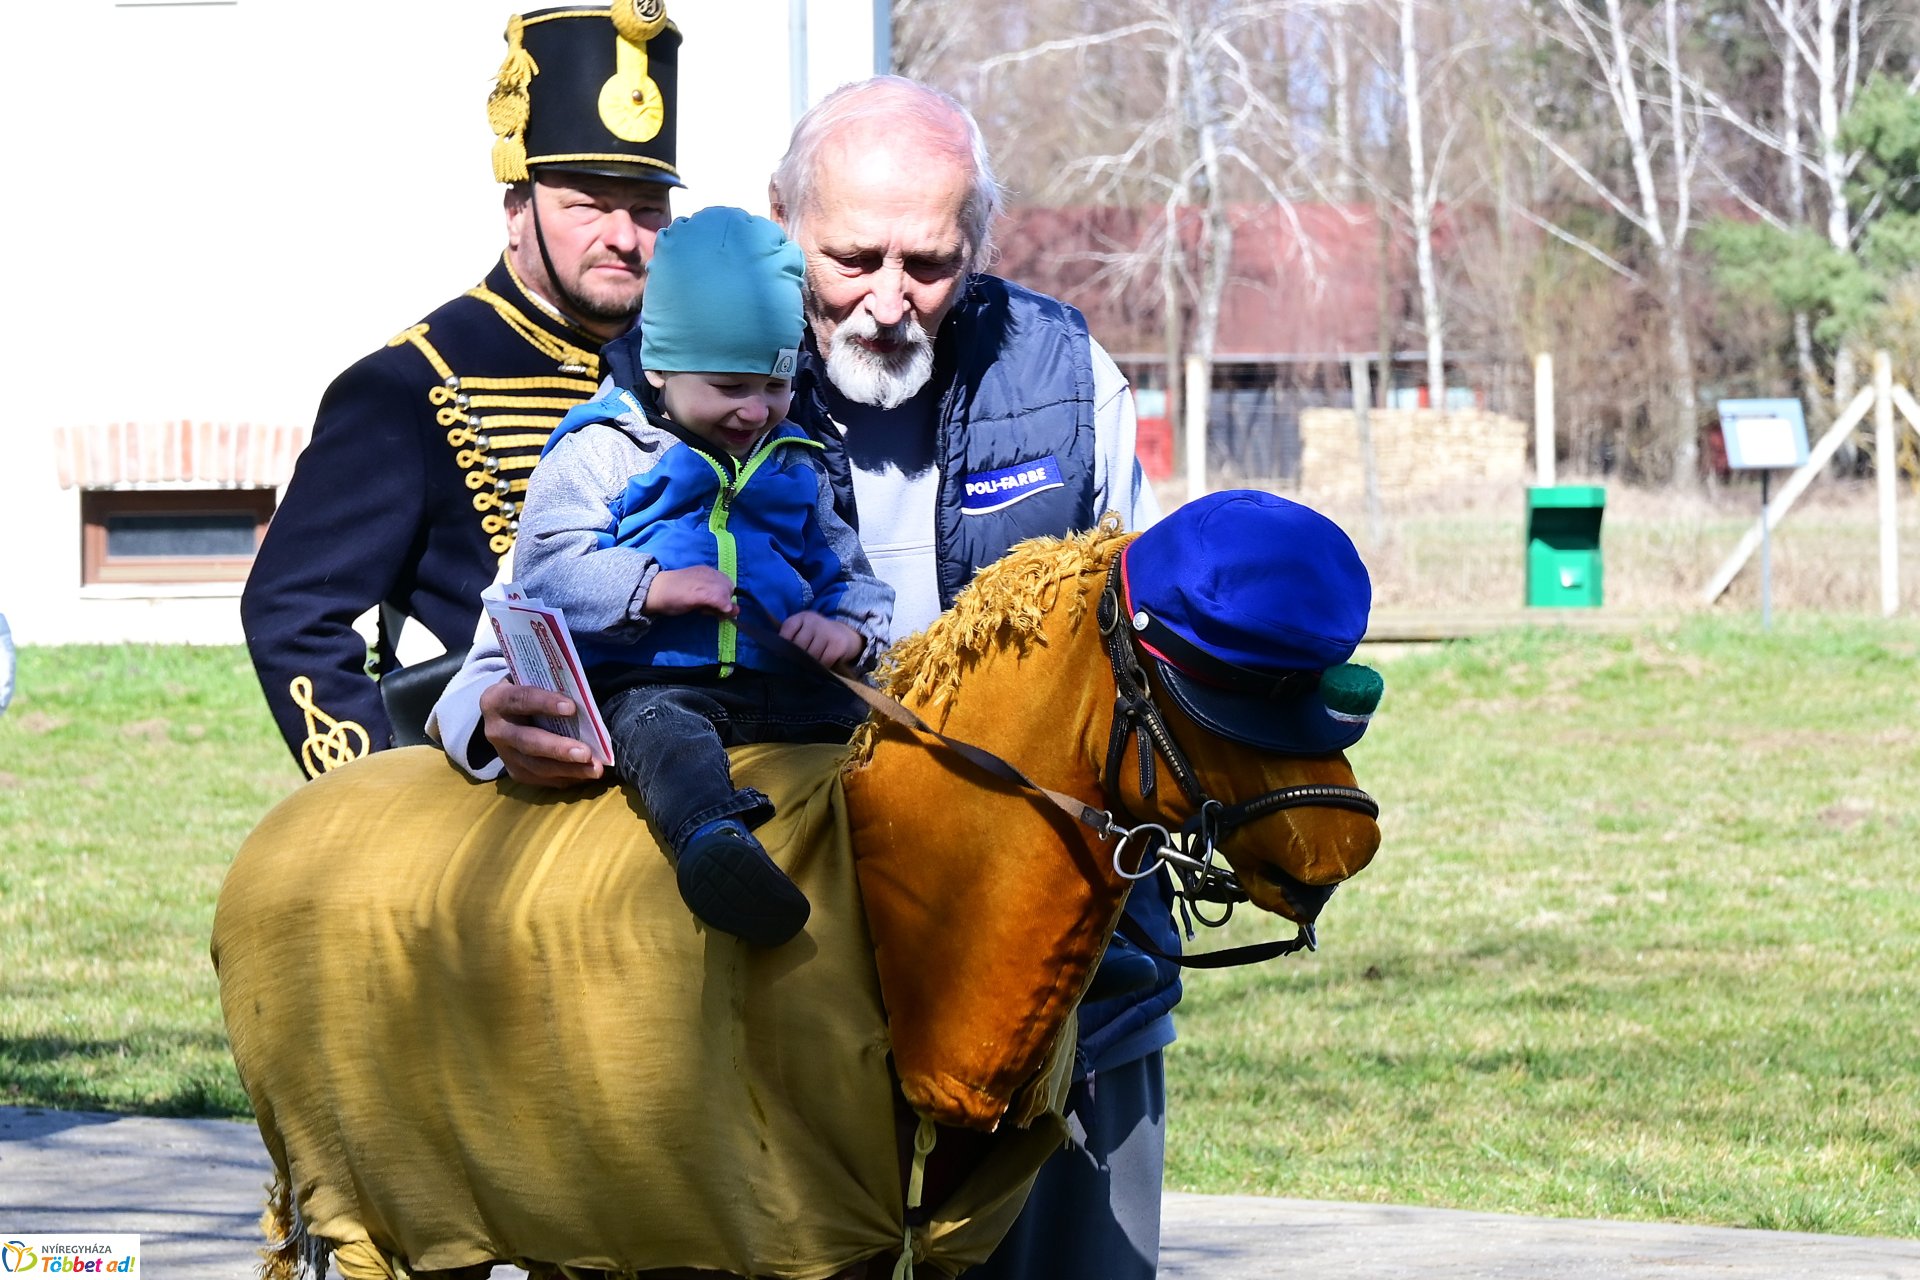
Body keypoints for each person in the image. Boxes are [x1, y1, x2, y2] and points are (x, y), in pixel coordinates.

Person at [432, 76, 1175, 1278]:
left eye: (929, 263)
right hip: (765, 1001)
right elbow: (511, 628)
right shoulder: (657, 391)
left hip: (1058, 996)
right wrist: (489, 716)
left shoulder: (1069, 380)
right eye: (853, 258)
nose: (888, 298)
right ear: (782, 223)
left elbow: (1146, 655)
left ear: (981, 243)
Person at [240, 3, 685, 778]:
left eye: (647, 208)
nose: (624, 237)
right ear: (517, 211)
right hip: (492, 796)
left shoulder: (693, 372)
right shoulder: (404, 387)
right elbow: (292, 611)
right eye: (587, 204)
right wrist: (379, 794)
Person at [514, 206, 892, 946]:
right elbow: (544, 571)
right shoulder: (606, 449)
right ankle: (712, 842)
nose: (755, 411)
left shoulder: (796, 460)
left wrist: (847, 629)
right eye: (727, 386)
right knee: (664, 738)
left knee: (878, 742)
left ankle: (920, 875)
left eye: (776, 386)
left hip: (791, 688)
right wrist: (648, 586)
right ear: (660, 365)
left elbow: (850, 570)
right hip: (659, 682)